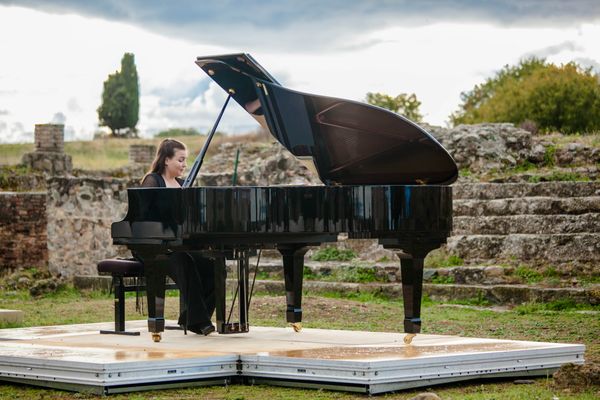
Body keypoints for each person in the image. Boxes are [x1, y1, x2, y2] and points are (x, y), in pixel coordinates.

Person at [140, 138, 216, 335]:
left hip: (179, 244)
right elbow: (142, 218)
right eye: (180, 160)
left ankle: (192, 319)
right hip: (153, 246)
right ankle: (200, 321)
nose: (184, 165)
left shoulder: (184, 184)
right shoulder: (153, 181)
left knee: (214, 265)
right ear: (166, 160)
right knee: (185, 262)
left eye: (185, 160)